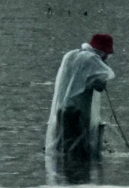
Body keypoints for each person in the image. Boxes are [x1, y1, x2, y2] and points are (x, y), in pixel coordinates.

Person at [46, 33, 115, 170]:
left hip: (63, 109)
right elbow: (102, 81)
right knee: (76, 150)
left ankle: (65, 177)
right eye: (107, 54)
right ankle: (77, 176)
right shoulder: (91, 59)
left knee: (64, 148)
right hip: (76, 112)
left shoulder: (72, 55)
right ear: (102, 52)